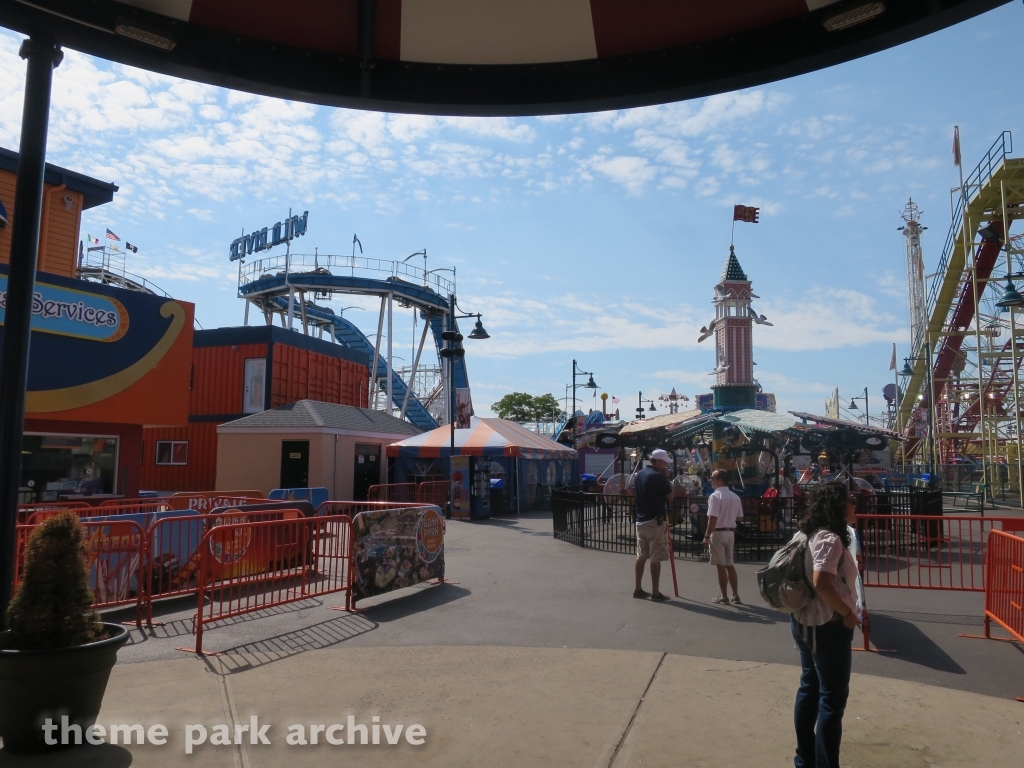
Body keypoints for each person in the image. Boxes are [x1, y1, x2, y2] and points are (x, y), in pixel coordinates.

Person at [791, 481, 862, 768]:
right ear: (839, 505)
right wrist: (847, 612)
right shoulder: (831, 538)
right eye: (851, 499)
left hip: (803, 621)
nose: (855, 504)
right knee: (832, 699)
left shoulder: (805, 533)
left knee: (810, 688)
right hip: (827, 625)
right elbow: (822, 581)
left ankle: (805, 759)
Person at [633, 448, 674, 601]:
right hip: (654, 521)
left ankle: (638, 588)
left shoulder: (640, 474)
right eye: (664, 462)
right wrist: (667, 478)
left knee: (641, 555)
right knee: (655, 557)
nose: (666, 465)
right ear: (657, 461)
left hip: (641, 519)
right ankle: (655, 592)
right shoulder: (658, 476)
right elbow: (670, 496)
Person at [703, 469, 743, 604]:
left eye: (713, 478)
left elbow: (712, 518)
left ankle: (723, 595)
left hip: (718, 532)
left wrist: (706, 535)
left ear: (720, 480)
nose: (711, 480)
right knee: (729, 564)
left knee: (720, 565)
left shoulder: (715, 496)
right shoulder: (735, 496)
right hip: (730, 532)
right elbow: (740, 517)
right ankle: (735, 594)